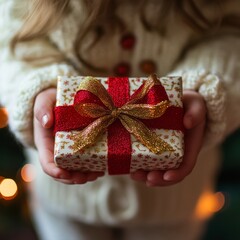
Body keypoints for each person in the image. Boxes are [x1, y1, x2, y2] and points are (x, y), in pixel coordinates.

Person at [0, 0, 240, 239]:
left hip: (173, 203)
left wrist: (205, 87)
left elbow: (229, 34)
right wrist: (36, 88)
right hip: (66, 200)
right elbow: (10, 42)